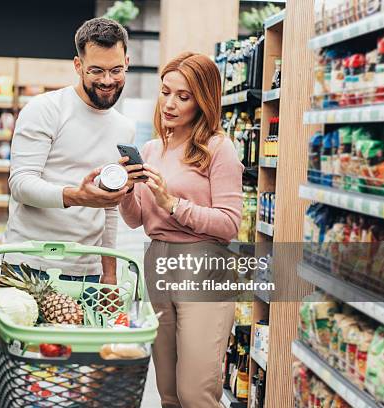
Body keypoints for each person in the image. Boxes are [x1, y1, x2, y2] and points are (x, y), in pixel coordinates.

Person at [119, 52, 244, 407]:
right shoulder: (151, 149)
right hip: (157, 262)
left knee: (196, 393)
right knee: (169, 393)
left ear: (203, 101)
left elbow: (229, 224)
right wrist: (125, 191)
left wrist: (172, 203)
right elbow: (137, 219)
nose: (169, 104)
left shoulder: (219, 149)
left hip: (203, 267)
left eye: (183, 96)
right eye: (165, 92)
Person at [3, 17, 141, 283]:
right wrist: (76, 196)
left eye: (115, 70)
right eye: (96, 71)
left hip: (87, 270)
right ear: (78, 66)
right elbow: (20, 184)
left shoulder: (124, 128)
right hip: (28, 264)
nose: (107, 80)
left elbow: (109, 208)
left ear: (126, 62)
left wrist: (109, 273)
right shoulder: (44, 109)